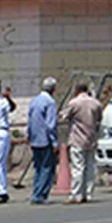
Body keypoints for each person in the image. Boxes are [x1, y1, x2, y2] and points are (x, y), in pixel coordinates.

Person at [63, 81, 103, 204]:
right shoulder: (96, 103)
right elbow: (99, 119)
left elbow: (64, 116)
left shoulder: (74, 103)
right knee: (90, 167)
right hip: (91, 138)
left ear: (77, 90)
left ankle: (77, 194)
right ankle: (89, 193)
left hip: (77, 138)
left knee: (78, 167)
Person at [26, 77, 59, 205]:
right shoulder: (50, 102)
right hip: (45, 140)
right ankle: (40, 195)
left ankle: (36, 192)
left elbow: (29, 121)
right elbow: (51, 124)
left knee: (38, 168)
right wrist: (54, 142)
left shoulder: (34, 101)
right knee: (47, 168)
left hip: (35, 139)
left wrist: (29, 136)